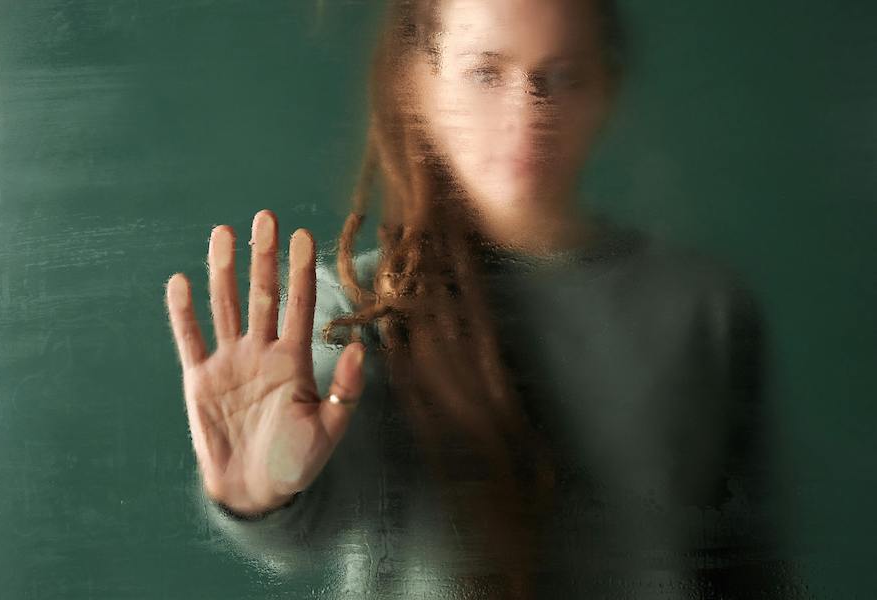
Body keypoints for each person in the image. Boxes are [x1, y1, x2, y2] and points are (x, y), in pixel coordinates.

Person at [165, 0, 801, 597]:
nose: (527, 113)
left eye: (561, 76)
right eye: (486, 74)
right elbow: (312, 513)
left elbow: (744, 563)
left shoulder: (704, 307)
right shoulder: (362, 307)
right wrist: (261, 492)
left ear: (605, 88)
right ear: (419, 85)